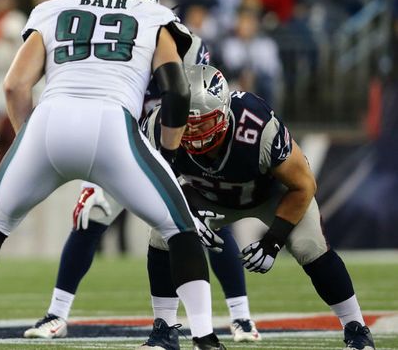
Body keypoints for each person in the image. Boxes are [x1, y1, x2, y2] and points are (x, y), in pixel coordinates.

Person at [0, 0, 225, 350]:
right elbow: (176, 91)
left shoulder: (52, 10)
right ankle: (204, 336)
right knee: (180, 230)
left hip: (49, 122)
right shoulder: (153, 15)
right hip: (112, 125)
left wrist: (29, 137)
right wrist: (168, 155)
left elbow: (14, 84)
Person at [24, 0, 262, 344]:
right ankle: (57, 314)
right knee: (92, 216)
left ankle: (241, 317)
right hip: (124, 143)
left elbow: (198, 99)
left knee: (208, 221)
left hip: (176, 144)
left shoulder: (183, 44)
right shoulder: (107, 47)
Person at [138, 64, 377, 350]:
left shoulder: (256, 126)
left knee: (309, 246)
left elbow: (304, 185)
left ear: (224, 114)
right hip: (205, 196)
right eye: (185, 122)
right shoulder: (158, 125)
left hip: (269, 196)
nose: (192, 132)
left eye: (202, 122)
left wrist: (273, 241)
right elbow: (146, 183)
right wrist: (185, 212)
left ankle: (356, 329)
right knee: (163, 233)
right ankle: (164, 331)